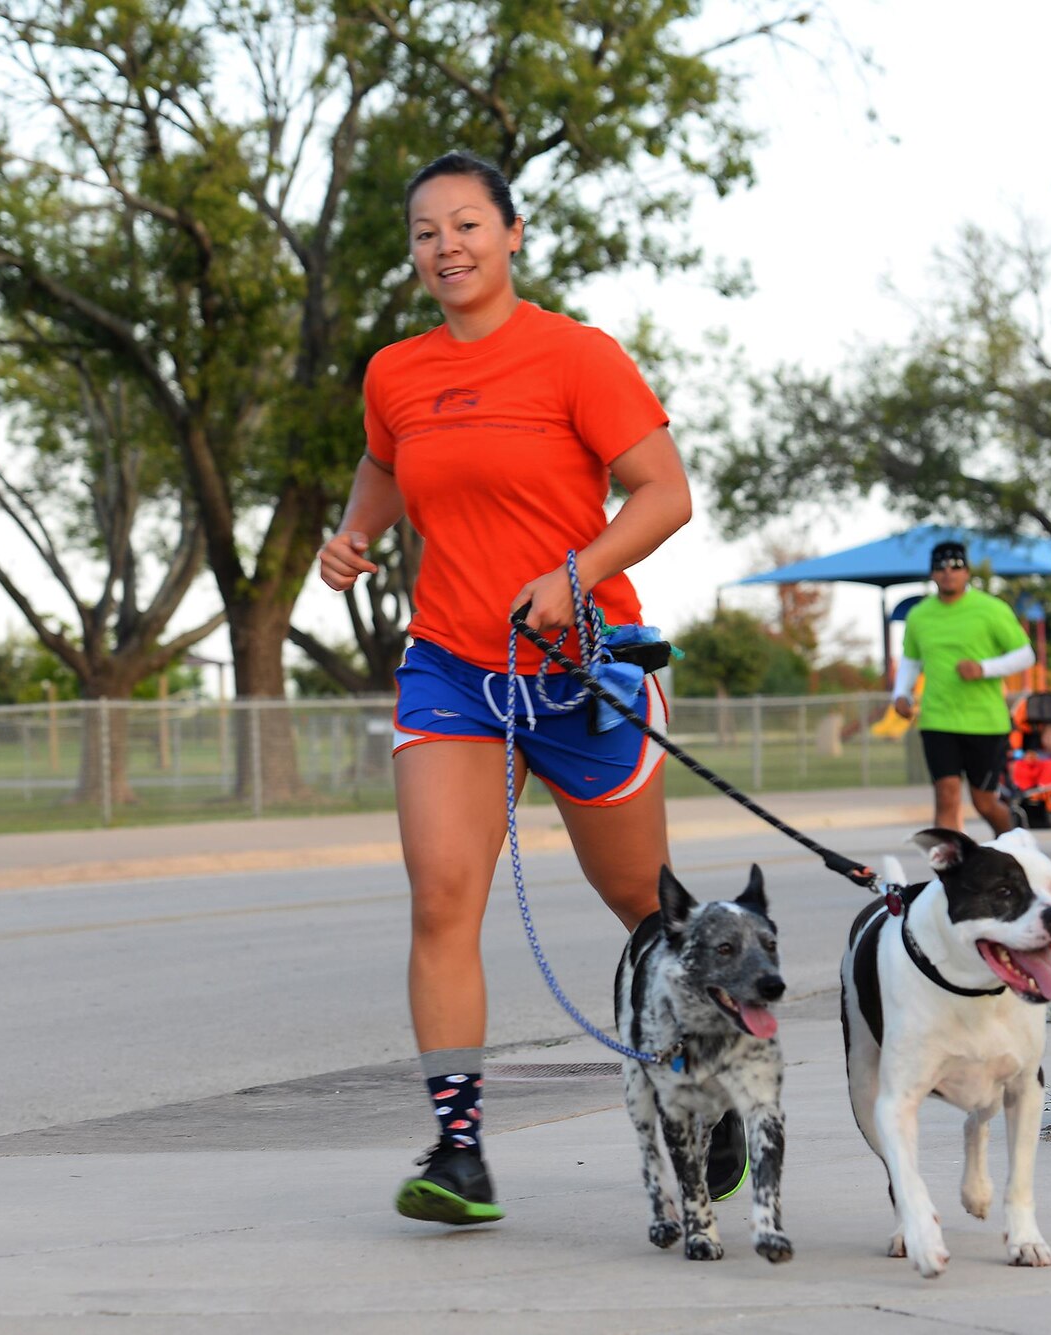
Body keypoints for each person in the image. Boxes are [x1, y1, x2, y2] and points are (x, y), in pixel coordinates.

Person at [317, 150, 706, 1228]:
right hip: (451, 663)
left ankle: (705, 1093)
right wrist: (355, 536)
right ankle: (459, 1149)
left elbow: (661, 492)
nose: (444, 247)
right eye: (424, 233)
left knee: (642, 904)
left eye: (465, 226)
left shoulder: (576, 356)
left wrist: (570, 574)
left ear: (511, 233)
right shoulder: (394, 371)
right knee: (441, 896)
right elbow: (386, 464)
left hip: (583, 666)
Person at [891, 541, 1036, 836]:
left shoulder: (991, 609)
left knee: (984, 803)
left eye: (955, 566)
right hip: (938, 718)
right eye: (941, 567)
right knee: (946, 796)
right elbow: (910, 660)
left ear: (967, 571)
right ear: (932, 574)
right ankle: (948, 876)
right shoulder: (919, 615)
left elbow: (1025, 655)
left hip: (984, 721)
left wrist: (984, 668)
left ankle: (1016, 848)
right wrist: (901, 694)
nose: (948, 573)